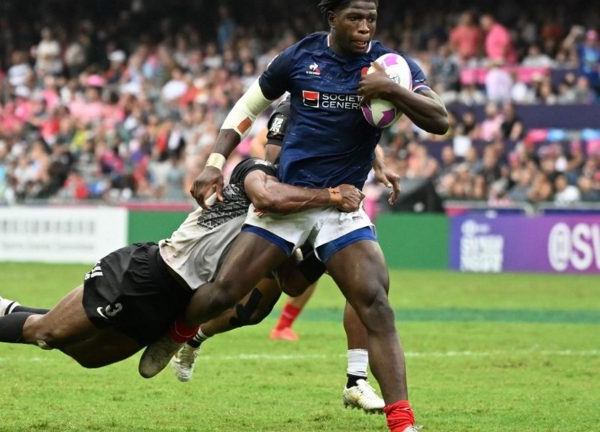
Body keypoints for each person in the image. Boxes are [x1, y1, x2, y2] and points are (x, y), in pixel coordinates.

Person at [139, 1, 448, 431]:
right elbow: (247, 108)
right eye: (354, 18)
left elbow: (440, 121)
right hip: (289, 200)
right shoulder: (300, 58)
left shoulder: (391, 66)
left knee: (375, 302)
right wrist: (214, 161)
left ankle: (401, 421)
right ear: (331, 19)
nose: (364, 27)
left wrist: (393, 91)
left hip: (343, 207)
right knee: (228, 292)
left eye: (371, 19)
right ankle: (178, 333)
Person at [0, 156, 365, 373]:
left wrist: (327, 250)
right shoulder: (259, 171)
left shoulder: (306, 214)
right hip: (154, 273)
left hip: (184, 301)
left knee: (86, 356)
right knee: (49, 333)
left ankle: (0, 307)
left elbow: (289, 283)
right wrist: (331, 198)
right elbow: (268, 197)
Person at [170, 98, 388, 413]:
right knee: (258, 307)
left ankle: (356, 381)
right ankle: (193, 338)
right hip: (290, 208)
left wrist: (378, 163)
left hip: (335, 212)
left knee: (362, 284)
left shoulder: (344, 102)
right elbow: (274, 159)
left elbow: (366, 134)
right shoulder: (293, 105)